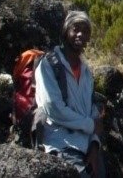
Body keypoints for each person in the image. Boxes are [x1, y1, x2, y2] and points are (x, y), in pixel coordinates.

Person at [35, 10, 105, 177]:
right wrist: (90, 125)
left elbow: (92, 113)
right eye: (76, 28)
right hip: (60, 144)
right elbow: (54, 109)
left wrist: (94, 145)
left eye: (86, 31)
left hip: (86, 146)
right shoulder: (48, 65)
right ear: (66, 31)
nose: (80, 34)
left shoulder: (87, 73)